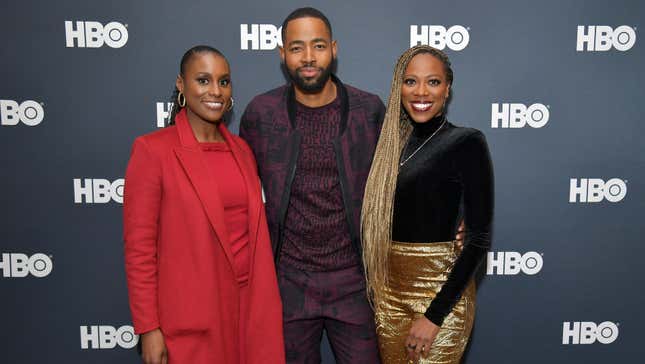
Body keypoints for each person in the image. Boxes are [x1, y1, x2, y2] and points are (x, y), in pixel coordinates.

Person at [239, 7, 385, 364]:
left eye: (318, 46)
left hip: (353, 280)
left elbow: (398, 183)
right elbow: (237, 190)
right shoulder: (261, 113)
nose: (308, 57)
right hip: (288, 282)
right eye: (297, 47)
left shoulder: (369, 111)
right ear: (282, 54)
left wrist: (451, 219)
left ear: (333, 49)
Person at [123, 45, 285, 364]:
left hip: (251, 311)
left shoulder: (241, 150)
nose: (215, 91)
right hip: (193, 318)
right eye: (203, 80)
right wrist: (149, 328)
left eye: (223, 82)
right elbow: (139, 250)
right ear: (181, 86)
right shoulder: (152, 151)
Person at [361, 45, 494, 363]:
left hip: (440, 295)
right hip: (389, 295)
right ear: (398, 87)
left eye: (433, 82)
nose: (421, 92)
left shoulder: (466, 142)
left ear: (447, 89)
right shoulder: (387, 147)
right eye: (411, 81)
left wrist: (434, 316)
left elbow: (478, 240)